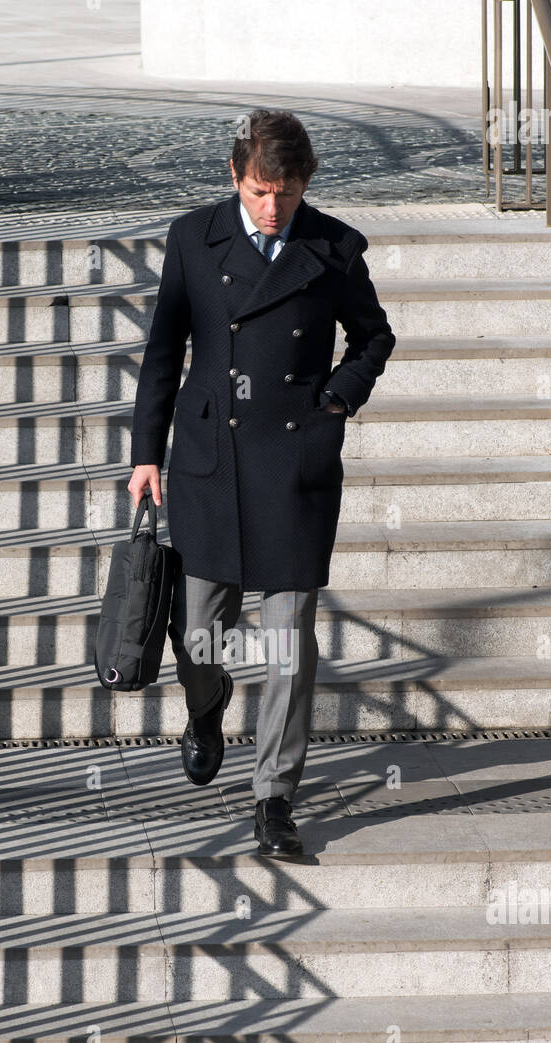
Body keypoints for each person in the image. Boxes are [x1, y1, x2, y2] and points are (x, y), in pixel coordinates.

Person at [128, 108, 395, 858]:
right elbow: (163, 350)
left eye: (284, 191)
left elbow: (374, 336)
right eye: (257, 191)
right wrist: (146, 451)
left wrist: (338, 397)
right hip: (211, 457)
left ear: (305, 182)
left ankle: (275, 798)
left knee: (288, 648)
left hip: (294, 467)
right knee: (201, 631)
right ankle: (207, 707)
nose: (271, 207)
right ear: (235, 179)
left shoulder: (334, 246)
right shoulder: (193, 237)